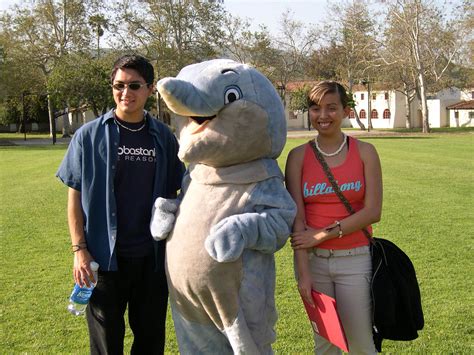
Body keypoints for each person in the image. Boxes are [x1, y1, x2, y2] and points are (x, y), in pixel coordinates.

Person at [56, 54, 185, 354]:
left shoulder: (164, 138)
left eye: (134, 85)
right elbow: (74, 195)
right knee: (105, 346)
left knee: (150, 342)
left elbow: (182, 192)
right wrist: (79, 250)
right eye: (119, 85)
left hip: (152, 262)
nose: (125, 93)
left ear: (150, 90)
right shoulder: (87, 136)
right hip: (103, 262)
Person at [285, 81, 382, 354]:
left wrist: (323, 233)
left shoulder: (365, 153)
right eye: (316, 108)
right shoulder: (297, 157)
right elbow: (298, 221)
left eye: (331, 108)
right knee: (326, 345)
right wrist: (303, 275)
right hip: (314, 264)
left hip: (355, 260)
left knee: (361, 343)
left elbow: (373, 211)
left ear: (345, 110)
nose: (323, 115)